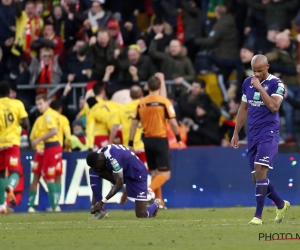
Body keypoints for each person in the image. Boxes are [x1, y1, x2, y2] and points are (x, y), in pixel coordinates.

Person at [231, 54, 290, 225]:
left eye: (260, 71)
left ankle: (258, 216)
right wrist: (236, 132)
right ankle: (281, 204)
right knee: (256, 178)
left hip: (269, 132)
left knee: (260, 170)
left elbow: (274, 107)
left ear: (267, 67)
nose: (256, 74)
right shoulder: (246, 83)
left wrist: (259, 87)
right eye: (254, 71)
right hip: (252, 134)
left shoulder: (276, 84)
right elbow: (243, 108)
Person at [129, 75, 183, 209]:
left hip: (147, 140)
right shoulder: (164, 102)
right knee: (166, 174)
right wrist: (178, 139)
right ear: (159, 87)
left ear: (147, 87)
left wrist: (130, 143)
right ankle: (146, 191)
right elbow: (174, 123)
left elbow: (134, 124)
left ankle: (159, 203)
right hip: (160, 139)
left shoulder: (141, 103)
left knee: (155, 172)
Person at [86, 144, 160, 218]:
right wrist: (95, 203)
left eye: (96, 167)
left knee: (141, 214)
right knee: (93, 172)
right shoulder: (100, 154)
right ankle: (100, 210)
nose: (97, 169)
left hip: (137, 174)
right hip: (124, 172)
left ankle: (155, 203)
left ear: (100, 161)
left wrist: (102, 202)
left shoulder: (113, 159)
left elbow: (119, 183)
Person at [0, 81, 29, 214]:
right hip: (12, 143)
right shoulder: (17, 104)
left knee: (1, 174)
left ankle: (2, 207)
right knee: (15, 171)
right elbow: (26, 123)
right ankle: (10, 187)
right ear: (9, 92)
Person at [31, 94, 62, 212]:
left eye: (41, 104)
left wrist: (38, 140)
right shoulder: (56, 114)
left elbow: (54, 130)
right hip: (57, 146)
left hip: (50, 147)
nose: (39, 107)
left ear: (47, 102)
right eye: (37, 104)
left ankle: (55, 206)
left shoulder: (48, 115)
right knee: (57, 175)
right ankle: (56, 205)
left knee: (49, 177)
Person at [28, 115, 44, 212]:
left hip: (39, 151)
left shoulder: (39, 120)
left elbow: (32, 137)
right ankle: (55, 206)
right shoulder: (60, 118)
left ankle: (31, 205)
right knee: (52, 179)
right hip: (52, 151)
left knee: (35, 178)